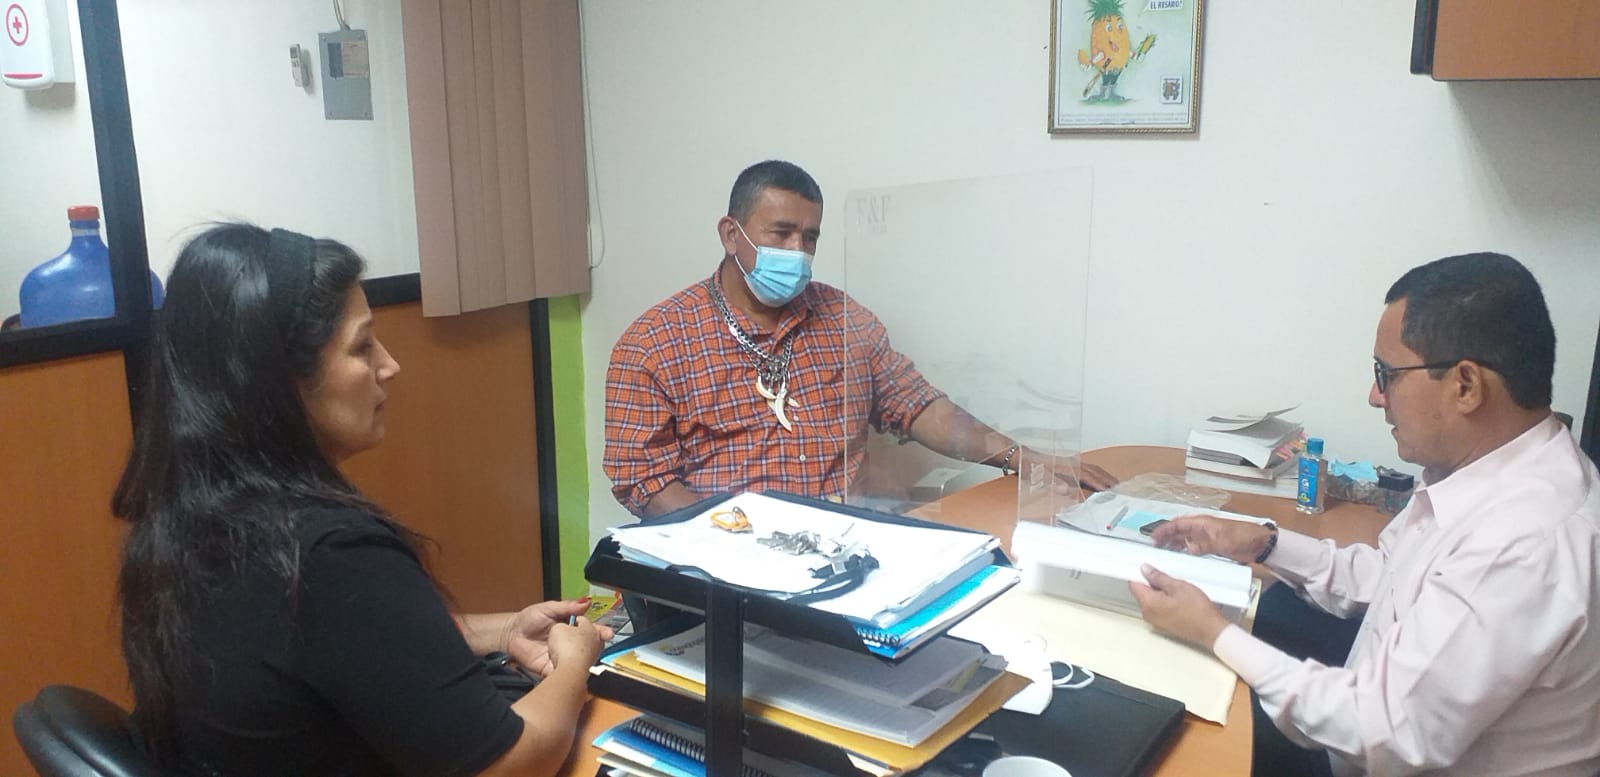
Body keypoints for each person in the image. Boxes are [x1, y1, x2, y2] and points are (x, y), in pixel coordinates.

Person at [112, 223, 607, 776]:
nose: (389, 366)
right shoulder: (325, 554)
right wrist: (576, 665)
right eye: (363, 346)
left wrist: (505, 631)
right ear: (280, 379)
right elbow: (506, 766)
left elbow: (337, 649)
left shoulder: (187, 520)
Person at [1130, 252, 1600, 776]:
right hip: (1379, 710)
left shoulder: (1526, 540)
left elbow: (1383, 732)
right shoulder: (1487, 471)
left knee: (1175, 731)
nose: (1375, 397)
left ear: (1465, 385)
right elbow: (1391, 577)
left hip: (1376, 744)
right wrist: (1263, 543)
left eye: (1387, 374)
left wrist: (1211, 632)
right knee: (1254, 625)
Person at [604, 160, 1116, 516]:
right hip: (727, 569)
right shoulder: (655, 342)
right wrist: (735, 545)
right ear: (730, 234)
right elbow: (644, 481)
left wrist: (1024, 458)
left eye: (810, 237)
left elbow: (919, 406)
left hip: (848, 550)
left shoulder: (844, 318)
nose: (797, 251)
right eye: (780, 233)